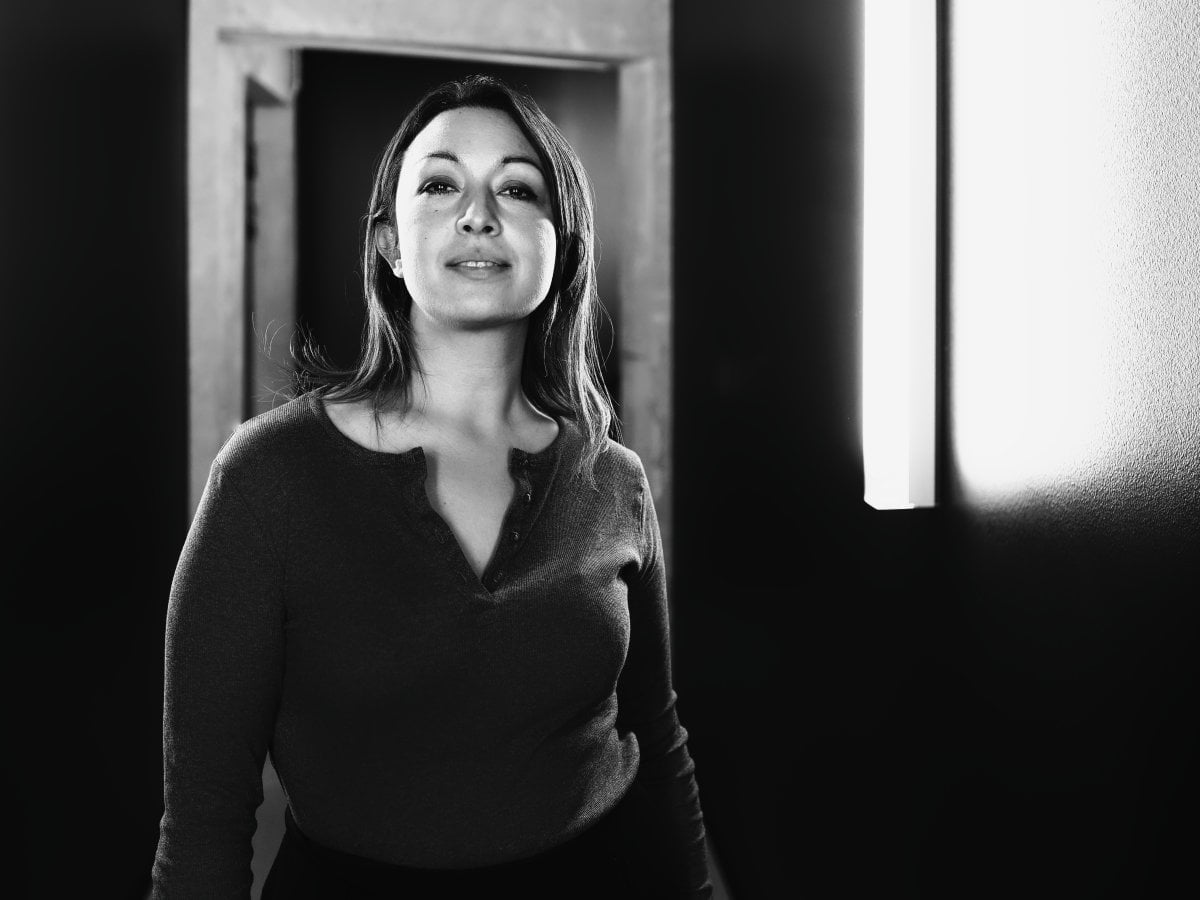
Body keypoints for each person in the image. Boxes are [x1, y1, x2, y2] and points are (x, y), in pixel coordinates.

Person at [151, 74, 711, 899]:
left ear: (563, 248)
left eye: (517, 188)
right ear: (387, 244)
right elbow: (204, 812)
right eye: (441, 183)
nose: (478, 213)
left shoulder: (614, 480)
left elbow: (656, 740)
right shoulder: (269, 477)